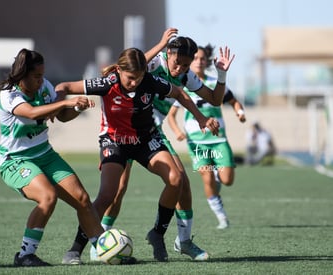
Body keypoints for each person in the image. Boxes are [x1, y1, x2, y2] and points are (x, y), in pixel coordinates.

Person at [56, 45, 233, 264]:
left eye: (139, 78)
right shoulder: (106, 82)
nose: (135, 83)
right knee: (108, 195)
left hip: (145, 138)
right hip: (115, 141)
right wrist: (61, 104)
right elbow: (63, 86)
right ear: (119, 71)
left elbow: (178, 92)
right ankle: (74, 250)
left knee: (176, 179)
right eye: (130, 78)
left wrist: (200, 118)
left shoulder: (149, 80)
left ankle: (158, 233)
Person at [0, 48, 104, 267]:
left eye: (42, 76)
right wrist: (65, 101)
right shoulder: (9, 95)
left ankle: (104, 249)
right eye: (36, 76)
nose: (41, 81)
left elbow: (62, 117)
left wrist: (76, 107)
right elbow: (32, 113)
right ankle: (25, 255)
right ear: (22, 75)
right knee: (47, 197)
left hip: (45, 154)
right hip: (15, 161)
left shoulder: (44, 87)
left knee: (82, 199)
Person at [168, 43, 245, 230]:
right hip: (197, 142)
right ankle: (221, 217)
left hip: (218, 139)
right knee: (207, 178)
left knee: (227, 179)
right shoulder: (182, 85)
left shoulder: (213, 82)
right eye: (195, 58)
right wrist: (178, 131)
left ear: (207, 61)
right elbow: (171, 115)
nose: (199, 61)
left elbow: (231, 100)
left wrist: (239, 111)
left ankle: (219, 182)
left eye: (202, 58)